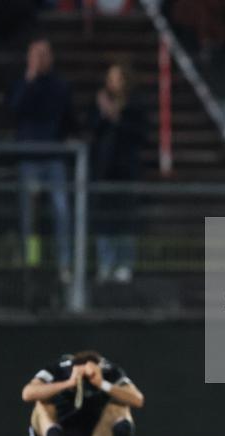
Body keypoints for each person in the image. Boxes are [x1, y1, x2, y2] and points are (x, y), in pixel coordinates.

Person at [8, 38, 78, 282]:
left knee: (62, 211)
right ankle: (32, 260)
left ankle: (64, 264)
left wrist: (68, 138)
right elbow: (14, 110)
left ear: (51, 58)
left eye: (43, 55)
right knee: (30, 215)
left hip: (53, 158)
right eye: (34, 55)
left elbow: (69, 117)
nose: (39, 60)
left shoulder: (60, 85)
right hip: (29, 159)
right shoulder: (21, 83)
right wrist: (29, 80)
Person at [22, 350, 145, 436]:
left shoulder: (109, 371)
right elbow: (28, 393)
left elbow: (137, 399)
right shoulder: (59, 369)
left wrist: (101, 383)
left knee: (119, 405)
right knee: (41, 405)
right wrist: (69, 383)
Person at [88, 62, 146, 284]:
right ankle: (106, 263)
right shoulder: (99, 104)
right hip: (104, 170)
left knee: (125, 221)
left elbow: (141, 135)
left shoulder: (135, 105)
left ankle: (124, 264)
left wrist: (117, 118)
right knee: (104, 221)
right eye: (110, 78)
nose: (113, 83)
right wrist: (104, 114)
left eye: (118, 78)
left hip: (126, 170)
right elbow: (91, 129)